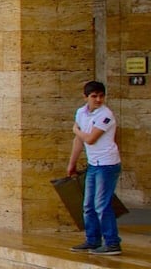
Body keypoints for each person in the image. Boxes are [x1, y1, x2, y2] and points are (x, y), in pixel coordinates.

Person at [69, 81, 123, 256]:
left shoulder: (105, 115)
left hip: (107, 164)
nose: (98, 99)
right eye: (94, 96)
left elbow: (90, 139)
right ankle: (92, 240)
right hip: (94, 164)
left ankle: (112, 243)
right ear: (86, 97)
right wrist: (72, 163)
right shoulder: (81, 113)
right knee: (88, 205)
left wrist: (76, 130)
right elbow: (79, 141)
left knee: (102, 204)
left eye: (101, 96)